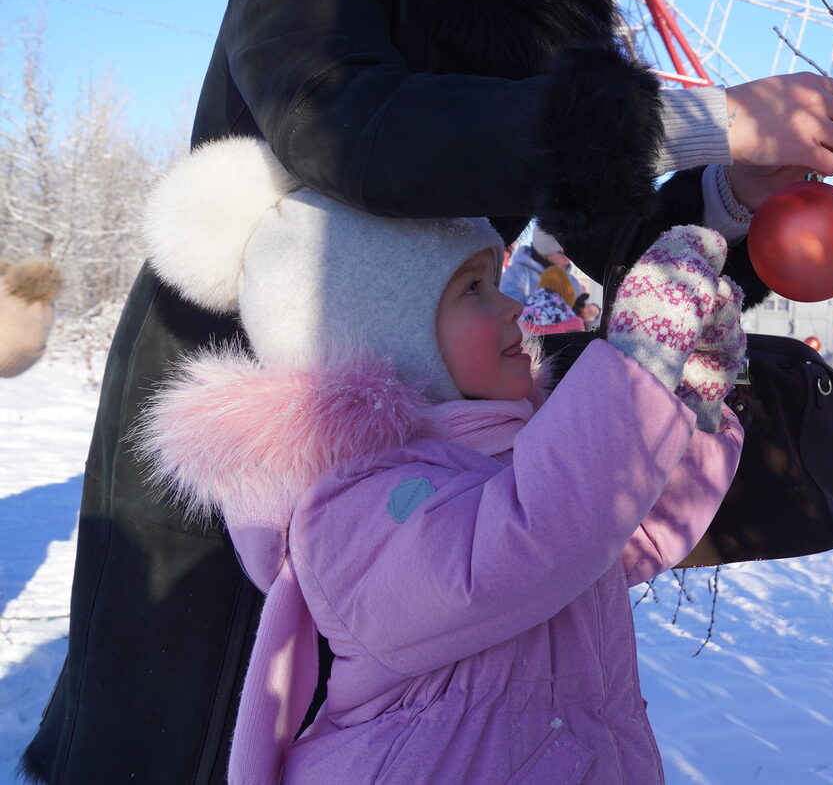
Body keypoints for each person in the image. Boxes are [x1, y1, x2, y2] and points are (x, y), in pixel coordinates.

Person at [23, 0, 833, 785]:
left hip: (449, 488)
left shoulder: (566, 45)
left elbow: (561, 281)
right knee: (203, 726)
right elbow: (360, 134)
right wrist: (704, 114)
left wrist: (725, 198)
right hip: (258, 452)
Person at [135, 138, 744, 785]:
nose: (512, 303)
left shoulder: (511, 461)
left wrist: (691, 399)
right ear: (385, 336)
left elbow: (619, 531)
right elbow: (532, 543)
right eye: (474, 288)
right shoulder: (343, 514)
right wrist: (636, 367)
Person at [502, 227, 580, 307]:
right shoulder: (516, 275)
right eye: (562, 253)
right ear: (545, 252)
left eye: (569, 254)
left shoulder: (571, 281)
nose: (567, 259)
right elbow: (507, 311)